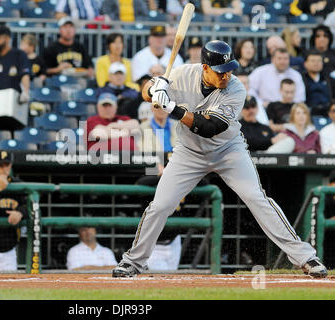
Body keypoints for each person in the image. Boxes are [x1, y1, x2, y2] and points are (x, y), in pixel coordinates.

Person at [112, 40, 327, 278]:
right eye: (220, 71)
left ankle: (305, 257)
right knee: (160, 205)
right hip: (189, 152)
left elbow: (208, 126)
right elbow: (145, 92)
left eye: (229, 70)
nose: (226, 76)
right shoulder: (182, 73)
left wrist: (172, 108)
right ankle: (133, 261)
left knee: (257, 198)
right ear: (205, 68)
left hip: (228, 149)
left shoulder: (236, 89)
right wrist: (154, 88)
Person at [0, 24, 31, 104]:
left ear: (7, 39)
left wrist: (25, 92)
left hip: (13, 102)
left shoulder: (19, 55)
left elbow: (25, 74)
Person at [301, 50, 332, 115]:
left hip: (328, 112)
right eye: (313, 61)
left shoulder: (328, 78)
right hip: (308, 113)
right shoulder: (300, 78)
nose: (316, 63)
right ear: (305, 64)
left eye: (319, 61)